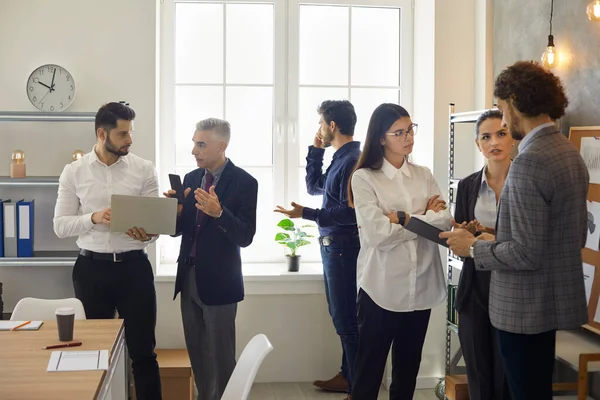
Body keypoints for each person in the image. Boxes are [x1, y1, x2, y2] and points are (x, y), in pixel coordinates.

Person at [441, 61, 589, 400]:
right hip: (547, 305)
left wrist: (472, 247)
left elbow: (525, 251)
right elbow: (571, 235)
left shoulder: (529, 161)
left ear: (514, 102)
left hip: (522, 308)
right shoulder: (568, 151)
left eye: (502, 112)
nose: (503, 122)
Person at [53, 102, 162, 400]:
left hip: (134, 269)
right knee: (92, 352)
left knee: (143, 352)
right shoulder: (74, 172)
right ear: (102, 134)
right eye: (123, 133)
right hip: (91, 271)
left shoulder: (144, 169)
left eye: (131, 132)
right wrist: (94, 218)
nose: (130, 140)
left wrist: (148, 233)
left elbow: (154, 224)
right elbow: (60, 225)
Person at [348, 103, 451, 400]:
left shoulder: (423, 174)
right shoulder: (365, 178)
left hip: (421, 287)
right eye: (399, 132)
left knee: (407, 373)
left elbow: (443, 222)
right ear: (381, 138)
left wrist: (403, 218)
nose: (408, 137)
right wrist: (422, 216)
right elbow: (377, 235)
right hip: (381, 288)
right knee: (368, 375)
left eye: (410, 129)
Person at [165, 118, 258, 400]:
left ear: (222, 146)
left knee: (221, 358)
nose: (194, 150)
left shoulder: (244, 182)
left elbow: (245, 236)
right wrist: (175, 212)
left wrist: (220, 213)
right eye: (194, 143)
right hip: (188, 278)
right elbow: (180, 231)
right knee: (198, 355)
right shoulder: (192, 180)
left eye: (201, 144)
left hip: (220, 283)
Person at [274, 100, 360, 399]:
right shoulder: (341, 156)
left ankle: (357, 385)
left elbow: (351, 214)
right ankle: (349, 375)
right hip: (333, 247)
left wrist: (307, 214)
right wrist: (316, 151)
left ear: (332, 126)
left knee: (345, 316)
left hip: (343, 248)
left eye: (321, 124)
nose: (319, 130)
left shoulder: (353, 160)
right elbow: (314, 187)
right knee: (342, 314)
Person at [453, 109, 512, 400]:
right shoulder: (466, 186)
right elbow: (462, 244)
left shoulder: (525, 182)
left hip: (514, 286)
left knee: (506, 374)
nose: (494, 142)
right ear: (478, 144)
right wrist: (467, 233)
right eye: (486, 137)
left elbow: (528, 241)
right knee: (477, 371)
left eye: (501, 133)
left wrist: (491, 237)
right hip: (475, 286)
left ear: (513, 137)